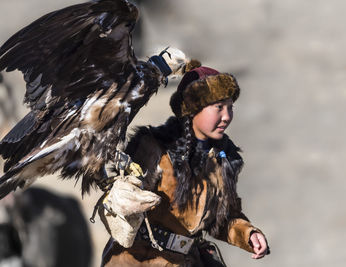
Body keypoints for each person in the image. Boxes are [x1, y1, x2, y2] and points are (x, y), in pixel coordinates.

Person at [101, 66, 270, 266]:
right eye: (218, 107)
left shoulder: (224, 159)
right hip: (136, 259)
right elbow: (118, 201)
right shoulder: (154, 147)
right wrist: (122, 197)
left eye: (230, 107)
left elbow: (223, 219)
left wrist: (248, 234)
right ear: (193, 108)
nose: (227, 116)